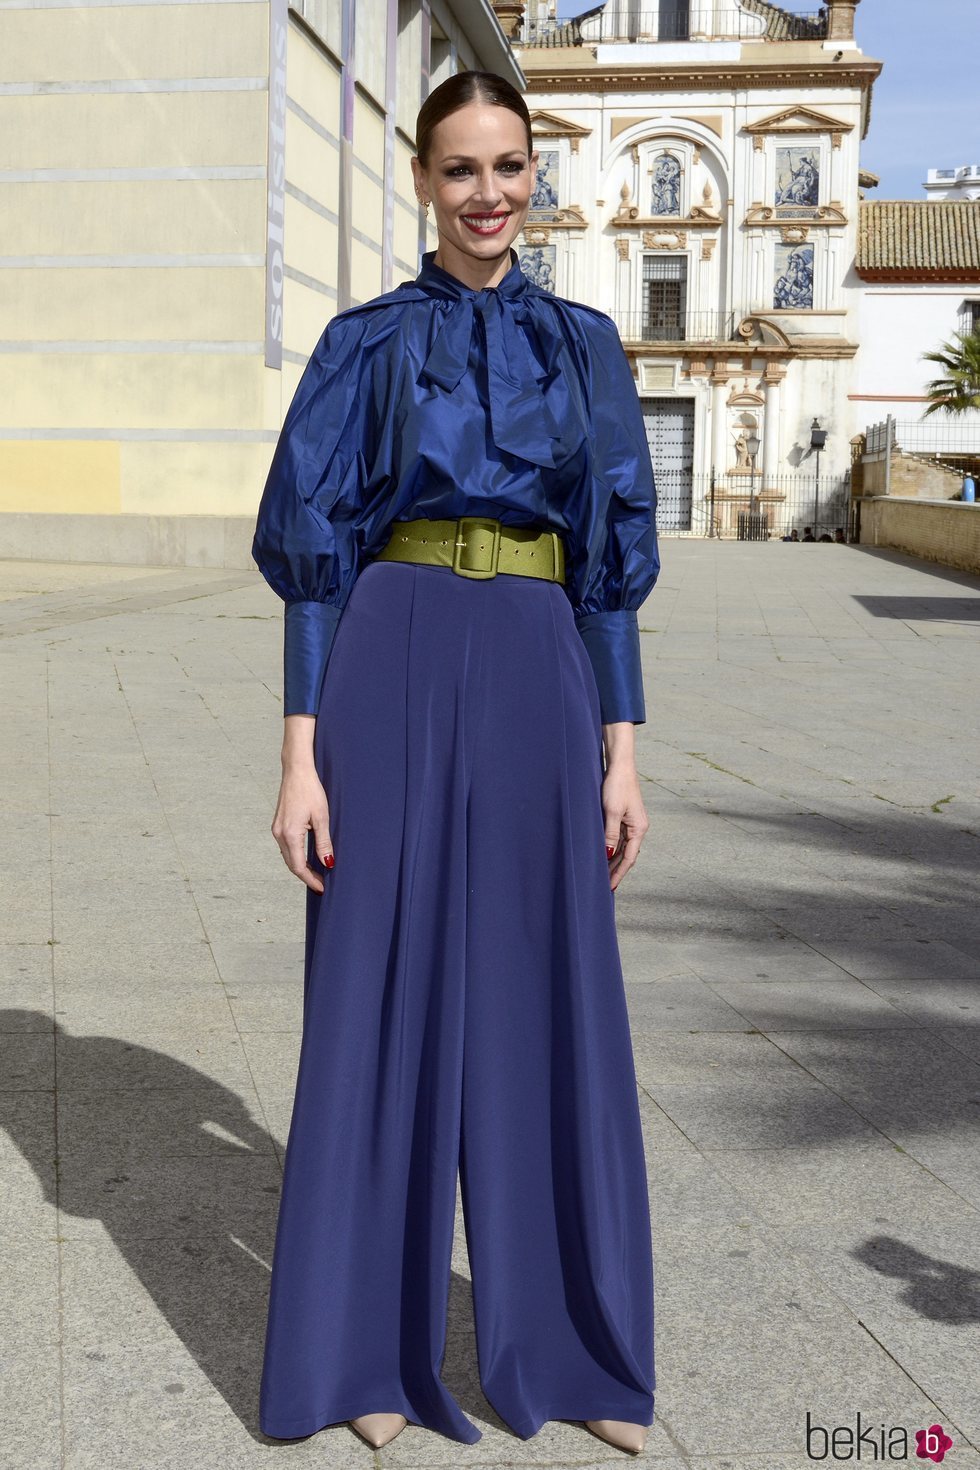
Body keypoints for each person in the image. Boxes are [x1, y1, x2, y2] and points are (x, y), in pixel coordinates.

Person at [251, 71, 659, 1459]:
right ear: (423, 180)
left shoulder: (586, 345)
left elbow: (611, 565)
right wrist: (300, 756)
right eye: (461, 169)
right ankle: (365, 1348)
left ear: (536, 175)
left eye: (510, 166)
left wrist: (622, 750)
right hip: (389, 654)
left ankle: (582, 1353)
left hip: (543, 659)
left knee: (552, 1000)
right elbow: (313, 559)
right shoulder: (365, 342)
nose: (489, 193)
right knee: (375, 999)